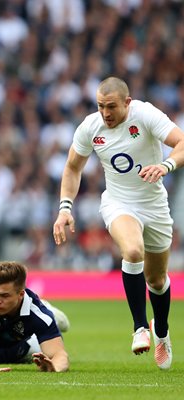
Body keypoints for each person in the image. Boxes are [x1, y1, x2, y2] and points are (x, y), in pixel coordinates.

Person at [53, 76, 184, 370]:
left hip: (154, 205)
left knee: (157, 280)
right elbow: (73, 167)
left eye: (111, 106)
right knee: (133, 251)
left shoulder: (146, 114)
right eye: (100, 106)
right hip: (118, 202)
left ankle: (160, 331)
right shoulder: (90, 126)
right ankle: (139, 328)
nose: (105, 113)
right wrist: (65, 208)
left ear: (127, 102)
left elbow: (181, 143)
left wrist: (165, 165)